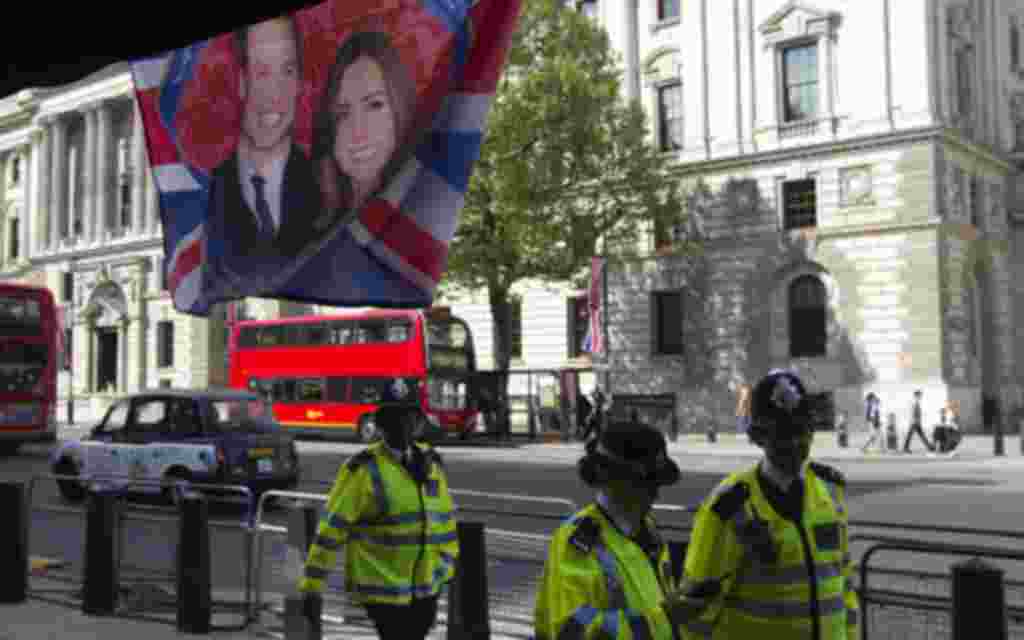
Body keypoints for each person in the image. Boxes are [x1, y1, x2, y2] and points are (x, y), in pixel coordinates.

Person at [680, 369, 860, 640]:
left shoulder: (830, 490)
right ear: (759, 437)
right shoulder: (729, 504)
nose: (795, 442)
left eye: (802, 431)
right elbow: (696, 602)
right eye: (782, 433)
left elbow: (843, 581)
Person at [296, 377, 457, 640]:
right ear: (381, 425)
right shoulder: (363, 469)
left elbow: (445, 522)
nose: (403, 425)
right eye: (394, 418)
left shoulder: (432, 465)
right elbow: (331, 530)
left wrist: (446, 568)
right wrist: (312, 586)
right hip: (383, 592)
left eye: (408, 417)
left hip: (425, 589)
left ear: (418, 422)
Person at [534, 420, 713, 640]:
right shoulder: (578, 542)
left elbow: (649, 600)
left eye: (657, 485)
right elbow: (574, 634)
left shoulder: (648, 529)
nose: (655, 495)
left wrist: (680, 601)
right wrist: (666, 617)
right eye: (645, 484)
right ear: (612, 480)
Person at [204, 16, 324, 298]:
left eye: (288, 71)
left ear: (299, 84)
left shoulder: (326, 186)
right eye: (262, 73)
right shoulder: (207, 188)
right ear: (241, 83)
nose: (276, 93)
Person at [311, 28, 418, 234]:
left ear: (400, 108)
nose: (357, 130)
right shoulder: (307, 234)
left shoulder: (417, 224)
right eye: (343, 113)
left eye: (374, 105)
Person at [903, 389, 934, 454]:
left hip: (915, 421)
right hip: (915, 422)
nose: (921, 396)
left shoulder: (915, 402)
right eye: (920, 395)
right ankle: (929, 447)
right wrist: (915, 420)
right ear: (917, 395)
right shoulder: (914, 402)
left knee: (919, 435)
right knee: (915, 435)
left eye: (920, 395)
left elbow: (916, 412)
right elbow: (913, 412)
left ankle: (930, 447)